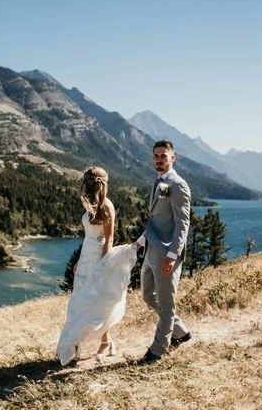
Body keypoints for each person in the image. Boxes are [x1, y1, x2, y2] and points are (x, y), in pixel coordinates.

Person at [56, 166, 138, 366]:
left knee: (96, 301)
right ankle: (94, 342)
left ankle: (96, 343)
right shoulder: (90, 203)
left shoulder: (107, 206)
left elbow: (109, 240)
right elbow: (89, 236)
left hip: (99, 258)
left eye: (86, 182)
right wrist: (79, 261)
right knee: (81, 301)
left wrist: (102, 267)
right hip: (86, 257)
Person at [133, 140, 192, 364]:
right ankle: (181, 332)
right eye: (156, 156)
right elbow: (156, 220)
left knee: (166, 305)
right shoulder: (161, 182)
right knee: (148, 295)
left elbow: (182, 223)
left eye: (163, 156)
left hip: (166, 253)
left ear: (172, 158)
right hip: (151, 250)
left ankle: (157, 351)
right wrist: (140, 242)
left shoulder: (178, 184)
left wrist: (172, 255)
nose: (159, 159)